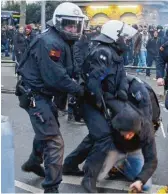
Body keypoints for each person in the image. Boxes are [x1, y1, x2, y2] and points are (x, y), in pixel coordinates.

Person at [15, 2, 85, 193]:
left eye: (75, 25)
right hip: (35, 94)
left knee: (47, 130)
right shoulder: (50, 42)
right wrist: (79, 90)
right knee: (54, 141)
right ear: (58, 23)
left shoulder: (64, 41)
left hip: (43, 94)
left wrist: (82, 79)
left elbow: (71, 68)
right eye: (69, 24)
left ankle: (33, 161)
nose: (72, 28)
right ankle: (51, 188)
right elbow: (56, 77)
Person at [63, 20, 137, 193]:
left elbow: (122, 77)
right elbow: (93, 83)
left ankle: (69, 164)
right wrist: (101, 104)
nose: (125, 40)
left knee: (96, 136)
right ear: (113, 36)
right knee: (103, 137)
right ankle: (89, 179)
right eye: (123, 37)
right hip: (91, 100)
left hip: (105, 99)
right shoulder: (102, 53)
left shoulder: (115, 53)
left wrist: (123, 91)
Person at [63, 75, 160, 193]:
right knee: (99, 139)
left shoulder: (146, 130)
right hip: (115, 147)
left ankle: (122, 166)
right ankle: (71, 164)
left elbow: (152, 160)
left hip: (133, 149)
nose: (127, 136)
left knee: (144, 185)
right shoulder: (113, 122)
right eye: (125, 133)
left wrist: (140, 180)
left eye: (130, 134)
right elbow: (94, 138)